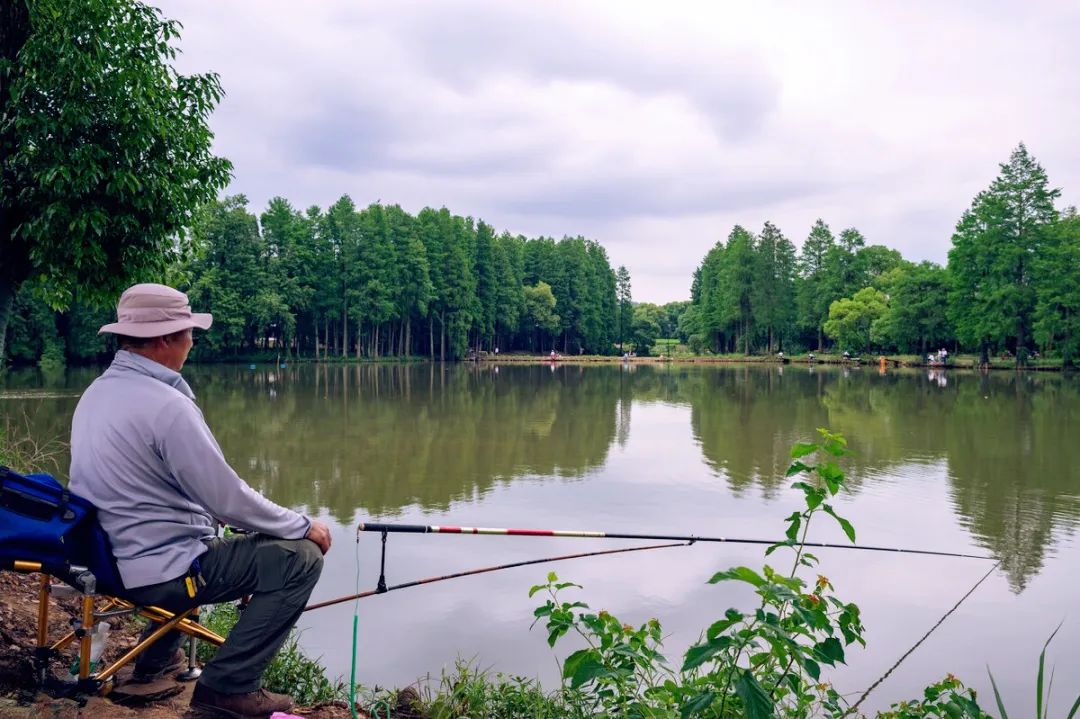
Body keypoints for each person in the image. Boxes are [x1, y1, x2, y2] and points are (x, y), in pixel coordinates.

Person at [69, 284, 332, 718]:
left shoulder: (96, 394)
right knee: (299, 558)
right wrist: (302, 525)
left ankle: (155, 665)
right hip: (155, 571)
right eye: (188, 332)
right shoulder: (166, 405)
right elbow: (226, 497)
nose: (192, 341)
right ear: (165, 339)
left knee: (193, 537)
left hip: (107, 560)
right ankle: (229, 687)